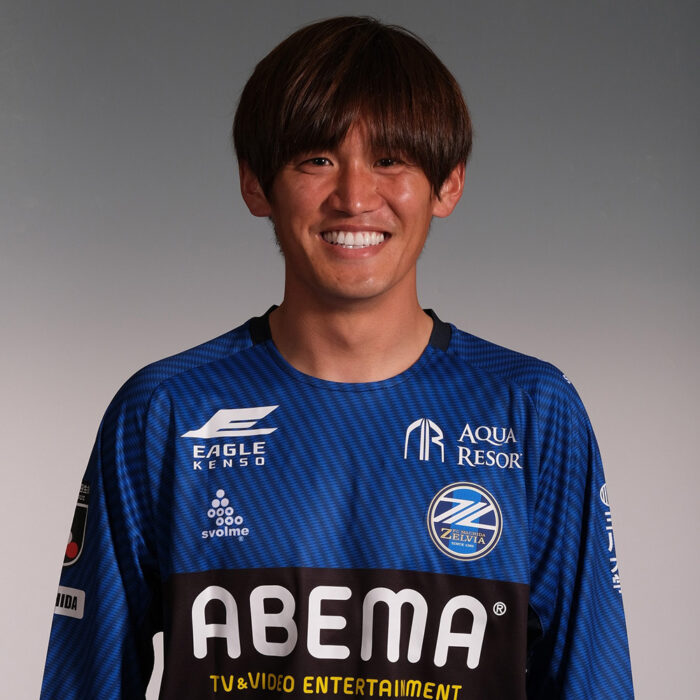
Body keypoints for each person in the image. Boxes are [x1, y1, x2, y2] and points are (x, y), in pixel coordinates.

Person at [40, 16, 633, 699]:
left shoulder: (532, 412)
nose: (354, 197)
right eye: (317, 160)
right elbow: (82, 684)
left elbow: (593, 681)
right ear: (256, 184)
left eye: (390, 160)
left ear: (448, 185)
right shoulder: (165, 411)